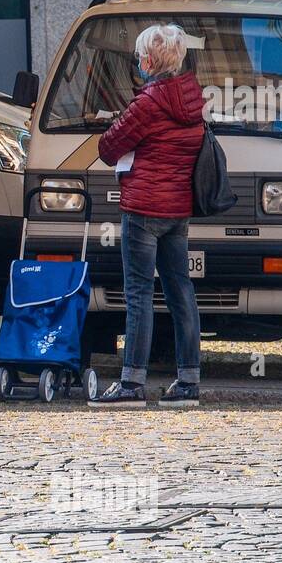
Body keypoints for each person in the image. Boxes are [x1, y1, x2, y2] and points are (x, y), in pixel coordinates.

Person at [90, 24, 205, 408]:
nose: (137, 61)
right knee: (180, 291)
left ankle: (131, 383)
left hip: (143, 209)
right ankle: (188, 382)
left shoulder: (147, 103)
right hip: (178, 209)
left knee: (139, 293)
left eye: (140, 55)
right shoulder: (192, 99)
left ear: (150, 60)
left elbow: (109, 147)